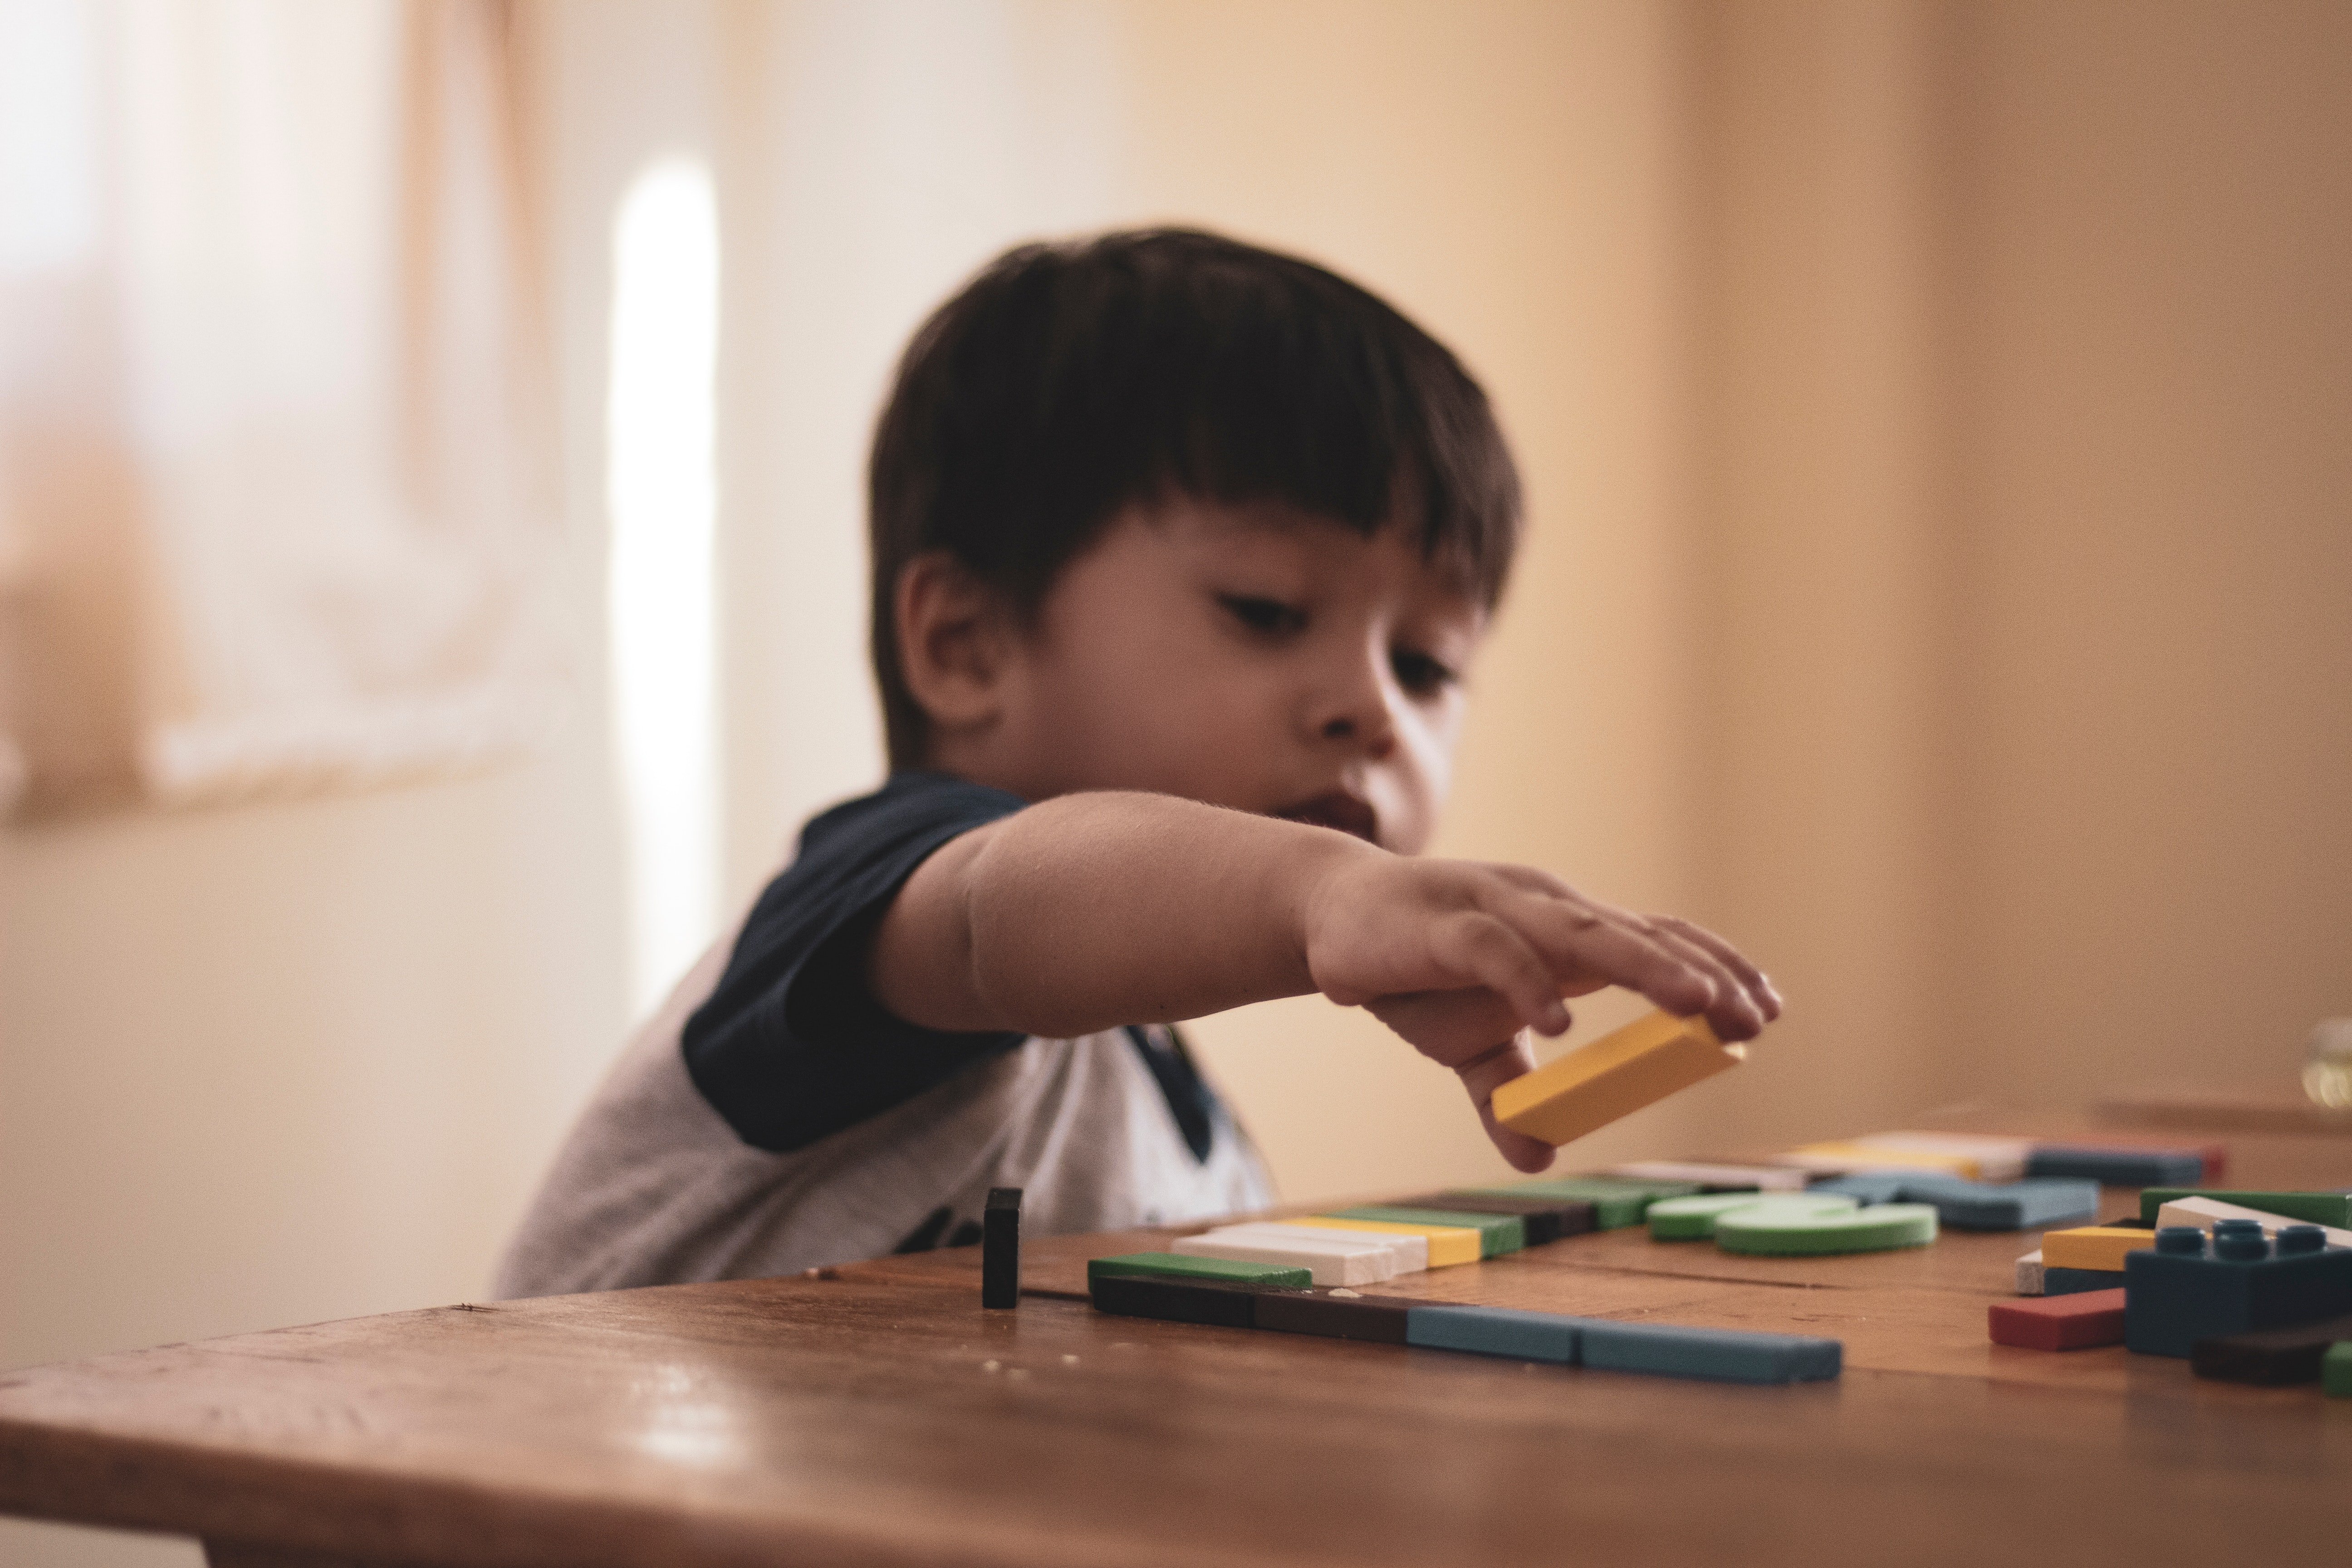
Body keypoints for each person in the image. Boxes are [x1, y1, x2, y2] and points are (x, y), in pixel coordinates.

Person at [494, 228, 1779, 1297]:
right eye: (1270, 612)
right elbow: (1009, 913)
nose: (1374, 709)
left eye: (1429, 665)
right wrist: (1316, 893)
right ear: (968, 643)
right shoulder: (896, 909)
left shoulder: (1191, 1139)